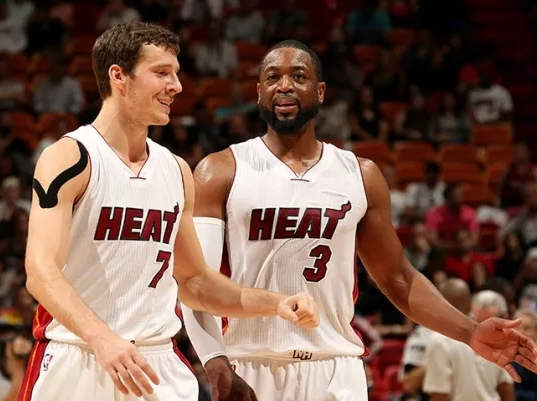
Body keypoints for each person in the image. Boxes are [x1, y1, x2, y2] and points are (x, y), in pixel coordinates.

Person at [180, 40, 537, 401]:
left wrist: (470, 332)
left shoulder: (360, 175)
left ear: (320, 92)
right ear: (259, 92)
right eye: (272, 77)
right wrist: (215, 361)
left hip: (336, 368)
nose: (284, 85)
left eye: (298, 76)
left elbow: (398, 278)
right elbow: (195, 281)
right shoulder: (220, 170)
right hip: (250, 364)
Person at [18, 23, 319, 401]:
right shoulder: (71, 157)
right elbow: (40, 272)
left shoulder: (176, 170)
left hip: (156, 362)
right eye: (161, 73)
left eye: (175, 74)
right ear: (118, 76)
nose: (175, 86)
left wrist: (276, 303)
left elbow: (194, 282)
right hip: (80, 355)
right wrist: (102, 339)